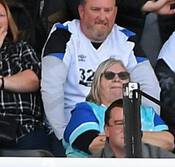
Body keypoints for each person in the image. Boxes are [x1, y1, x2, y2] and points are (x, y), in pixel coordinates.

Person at [41, 0, 161, 140]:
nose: (102, 17)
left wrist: (149, 130)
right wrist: (63, 136)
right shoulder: (63, 34)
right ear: (81, 11)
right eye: (96, 9)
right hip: (72, 127)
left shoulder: (126, 38)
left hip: (120, 130)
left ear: (115, 12)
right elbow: (51, 89)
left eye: (108, 11)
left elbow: (149, 88)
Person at [0, 0, 52, 151]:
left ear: (9, 21)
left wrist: (2, 82)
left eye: (1, 15)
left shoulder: (21, 48)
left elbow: (33, 80)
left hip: (24, 129)